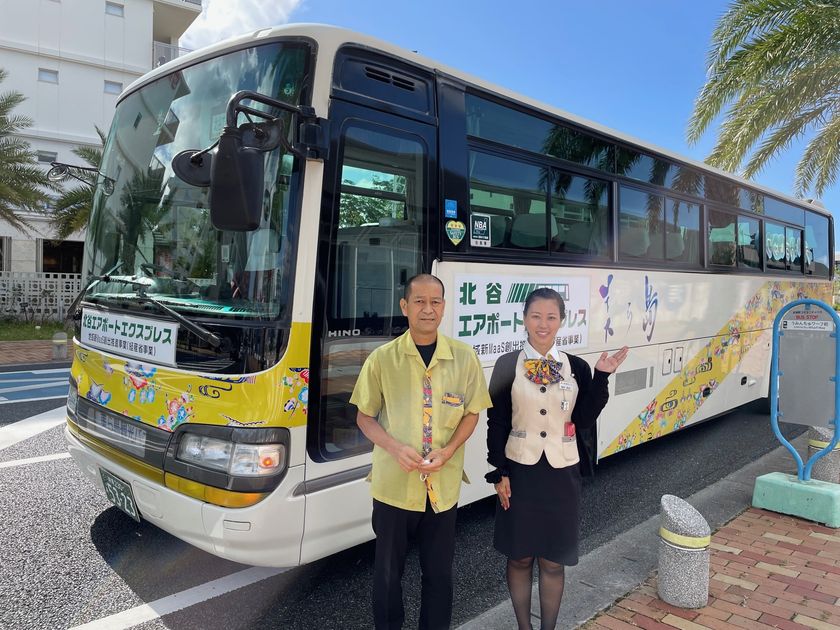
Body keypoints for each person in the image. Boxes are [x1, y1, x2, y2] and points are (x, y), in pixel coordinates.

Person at [351, 273, 492, 630]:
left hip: (442, 487)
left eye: (435, 302)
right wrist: (394, 447)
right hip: (393, 486)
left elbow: (472, 413)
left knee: (439, 575)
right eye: (419, 302)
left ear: (443, 307)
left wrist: (449, 451)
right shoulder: (382, 359)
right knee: (387, 575)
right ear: (405, 306)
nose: (428, 309)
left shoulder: (464, 357)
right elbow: (364, 416)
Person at [485, 287, 628, 630]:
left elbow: (584, 418)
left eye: (551, 317)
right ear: (524, 319)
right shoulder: (507, 365)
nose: (543, 324)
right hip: (519, 472)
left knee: (552, 561)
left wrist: (602, 377)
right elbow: (497, 421)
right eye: (536, 316)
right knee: (519, 558)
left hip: (562, 475)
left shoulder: (575, 366)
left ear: (562, 321)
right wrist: (499, 471)